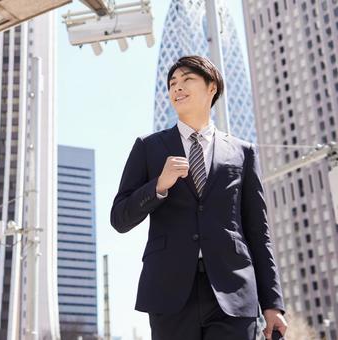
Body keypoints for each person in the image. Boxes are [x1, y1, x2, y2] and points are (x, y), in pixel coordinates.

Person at [110, 55, 288, 340]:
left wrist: (272, 304)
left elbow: (258, 233)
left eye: (187, 79)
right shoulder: (148, 147)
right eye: (172, 83)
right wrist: (158, 186)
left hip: (234, 291)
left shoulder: (243, 152)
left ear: (211, 87)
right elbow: (119, 218)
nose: (177, 87)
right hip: (169, 292)